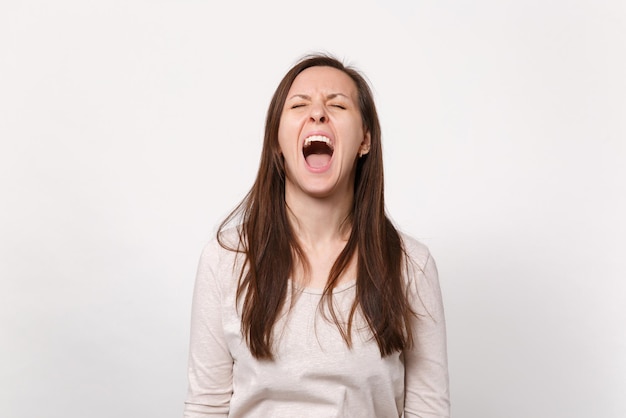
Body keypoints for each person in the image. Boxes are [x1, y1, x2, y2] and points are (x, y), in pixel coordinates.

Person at [183, 53, 450, 417]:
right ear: (277, 142)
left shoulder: (410, 265)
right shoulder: (226, 259)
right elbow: (205, 406)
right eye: (299, 104)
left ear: (364, 141)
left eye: (337, 105)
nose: (318, 113)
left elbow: (428, 409)